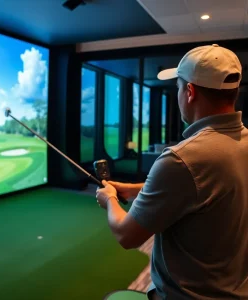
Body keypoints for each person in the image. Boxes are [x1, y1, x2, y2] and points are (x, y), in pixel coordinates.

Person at [96, 44, 248, 300]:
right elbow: (204, 192)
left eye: (177, 87)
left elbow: (126, 235)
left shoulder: (182, 159)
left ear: (189, 91)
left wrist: (109, 197)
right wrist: (134, 189)